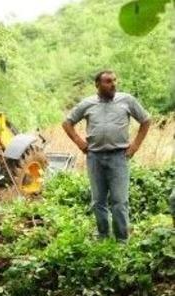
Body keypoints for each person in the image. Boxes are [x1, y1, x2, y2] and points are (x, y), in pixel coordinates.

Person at [62, 70, 151, 242]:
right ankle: (103, 235)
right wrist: (80, 143)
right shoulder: (87, 103)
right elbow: (67, 123)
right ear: (97, 85)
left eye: (114, 81)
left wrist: (135, 146)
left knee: (119, 201)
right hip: (95, 157)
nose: (113, 84)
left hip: (119, 156)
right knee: (98, 201)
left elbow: (146, 120)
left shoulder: (127, 100)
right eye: (108, 81)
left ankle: (122, 240)